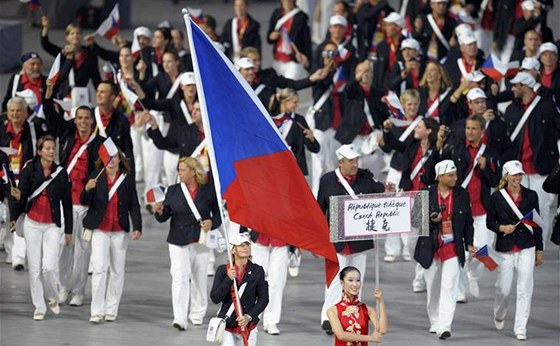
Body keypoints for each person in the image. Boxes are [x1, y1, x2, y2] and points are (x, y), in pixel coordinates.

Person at [42, 80, 102, 306]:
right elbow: (50, 115)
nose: (83, 122)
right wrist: (48, 93)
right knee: (63, 247)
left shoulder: (100, 144)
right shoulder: (67, 135)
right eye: (80, 118)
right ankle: (63, 286)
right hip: (65, 201)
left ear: (92, 121)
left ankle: (78, 291)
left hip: (86, 204)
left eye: (87, 118)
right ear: (75, 120)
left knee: (83, 250)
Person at [317, 144, 387, 334]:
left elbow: (381, 194)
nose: (355, 164)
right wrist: (318, 240)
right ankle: (328, 317)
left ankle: (352, 315)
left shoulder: (366, 176)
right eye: (351, 161)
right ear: (341, 162)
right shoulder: (327, 180)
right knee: (334, 280)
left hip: (359, 240)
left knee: (356, 280)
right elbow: (319, 209)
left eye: (356, 160)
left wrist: (388, 190)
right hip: (335, 240)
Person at [10, 135, 73, 320]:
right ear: (39, 151)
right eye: (47, 148)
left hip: (53, 225)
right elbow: (21, 196)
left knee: (49, 267)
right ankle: (39, 306)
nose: (51, 151)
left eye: (53, 148)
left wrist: (68, 230)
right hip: (32, 224)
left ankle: (52, 296)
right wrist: (14, 215)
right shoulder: (30, 168)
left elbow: (67, 204)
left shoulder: (61, 173)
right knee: (35, 268)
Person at [153, 157, 221, 330]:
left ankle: (197, 313)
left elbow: (219, 215)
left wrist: (211, 223)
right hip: (178, 240)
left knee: (199, 278)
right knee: (179, 277)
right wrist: (159, 211)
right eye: (179, 169)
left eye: (183, 170)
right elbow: (164, 217)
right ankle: (180, 317)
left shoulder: (208, 190)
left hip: (200, 241)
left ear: (193, 171)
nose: (179, 173)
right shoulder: (173, 191)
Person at [414, 159, 475, 340]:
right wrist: (430, 220)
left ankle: (445, 325)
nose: (455, 178)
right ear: (440, 177)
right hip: (430, 246)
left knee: (449, 286)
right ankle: (434, 319)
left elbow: (469, 222)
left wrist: (469, 243)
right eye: (451, 175)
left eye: (455, 174)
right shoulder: (425, 193)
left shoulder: (462, 194)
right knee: (433, 286)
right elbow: (414, 219)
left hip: (452, 246)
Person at [81, 150, 142, 323]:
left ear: (120, 159)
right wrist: (87, 188)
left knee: (117, 270)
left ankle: (111, 309)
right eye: (108, 157)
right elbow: (85, 200)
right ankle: (96, 310)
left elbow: (134, 204)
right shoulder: (95, 176)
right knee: (99, 268)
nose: (111, 160)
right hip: (100, 229)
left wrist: (137, 226)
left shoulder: (126, 178)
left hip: (119, 230)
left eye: (114, 157)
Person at [486, 160, 543, 341]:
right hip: (505, 248)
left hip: (527, 246)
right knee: (504, 287)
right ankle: (499, 311)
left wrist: (539, 249)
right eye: (514, 174)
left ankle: (520, 328)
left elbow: (537, 223)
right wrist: (502, 228)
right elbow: (489, 222)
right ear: (506, 176)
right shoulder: (496, 198)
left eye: (520, 174)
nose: (517, 177)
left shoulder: (531, 196)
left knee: (525, 287)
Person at [504, 72, 560, 246]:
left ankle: (538, 245)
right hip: (517, 169)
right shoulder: (511, 110)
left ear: (525, 86)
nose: (512, 88)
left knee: (541, 207)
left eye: (516, 85)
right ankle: (523, 241)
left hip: (541, 168)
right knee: (518, 207)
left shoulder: (546, 106)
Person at [1, 96, 47, 270]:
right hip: (5, 177)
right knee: (6, 214)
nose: (15, 114)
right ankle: (11, 248)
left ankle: (18, 256)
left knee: (19, 214)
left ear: (26, 112)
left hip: (25, 178)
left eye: (19, 110)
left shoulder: (34, 129)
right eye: (12, 110)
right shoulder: (1, 129)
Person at [210, 232, 269, 346]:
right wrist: (228, 279)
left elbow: (264, 299)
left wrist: (248, 316)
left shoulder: (258, 271)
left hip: (248, 326)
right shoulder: (223, 270)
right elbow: (215, 298)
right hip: (227, 325)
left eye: (247, 244)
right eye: (241, 245)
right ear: (232, 250)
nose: (245, 247)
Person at [327, 266, 387, 345]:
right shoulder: (333, 310)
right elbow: (341, 335)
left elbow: (382, 330)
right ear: (342, 282)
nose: (355, 284)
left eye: (358, 280)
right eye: (350, 280)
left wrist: (381, 301)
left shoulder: (366, 309)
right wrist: (371, 338)